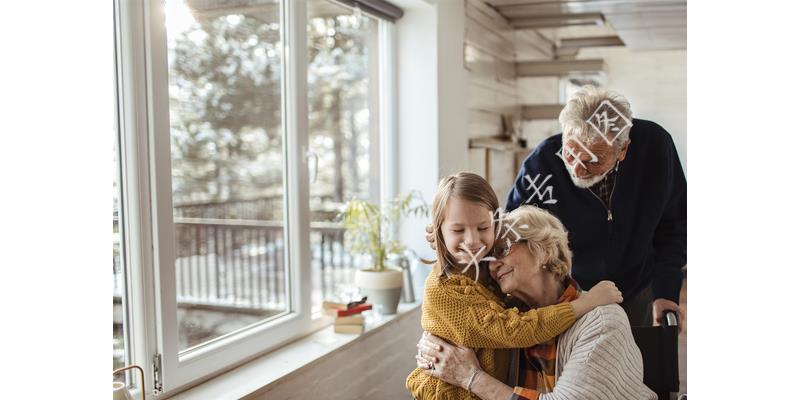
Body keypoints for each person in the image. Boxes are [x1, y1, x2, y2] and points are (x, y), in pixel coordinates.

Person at [427, 86, 686, 329]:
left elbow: (675, 224)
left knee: (630, 357)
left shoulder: (655, 148)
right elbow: (509, 233)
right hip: (568, 293)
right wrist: (456, 237)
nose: (578, 169)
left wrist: (666, 289)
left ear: (623, 150)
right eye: (570, 154)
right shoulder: (541, 165)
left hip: (635, 287)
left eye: (593, 161)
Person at [406, 172, 623, 400]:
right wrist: (443, 235)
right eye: (458, 230)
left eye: (502, 250)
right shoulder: (505, 308)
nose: (491, 263)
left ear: (544, 251)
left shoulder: (598, 322)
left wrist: (471, 377)